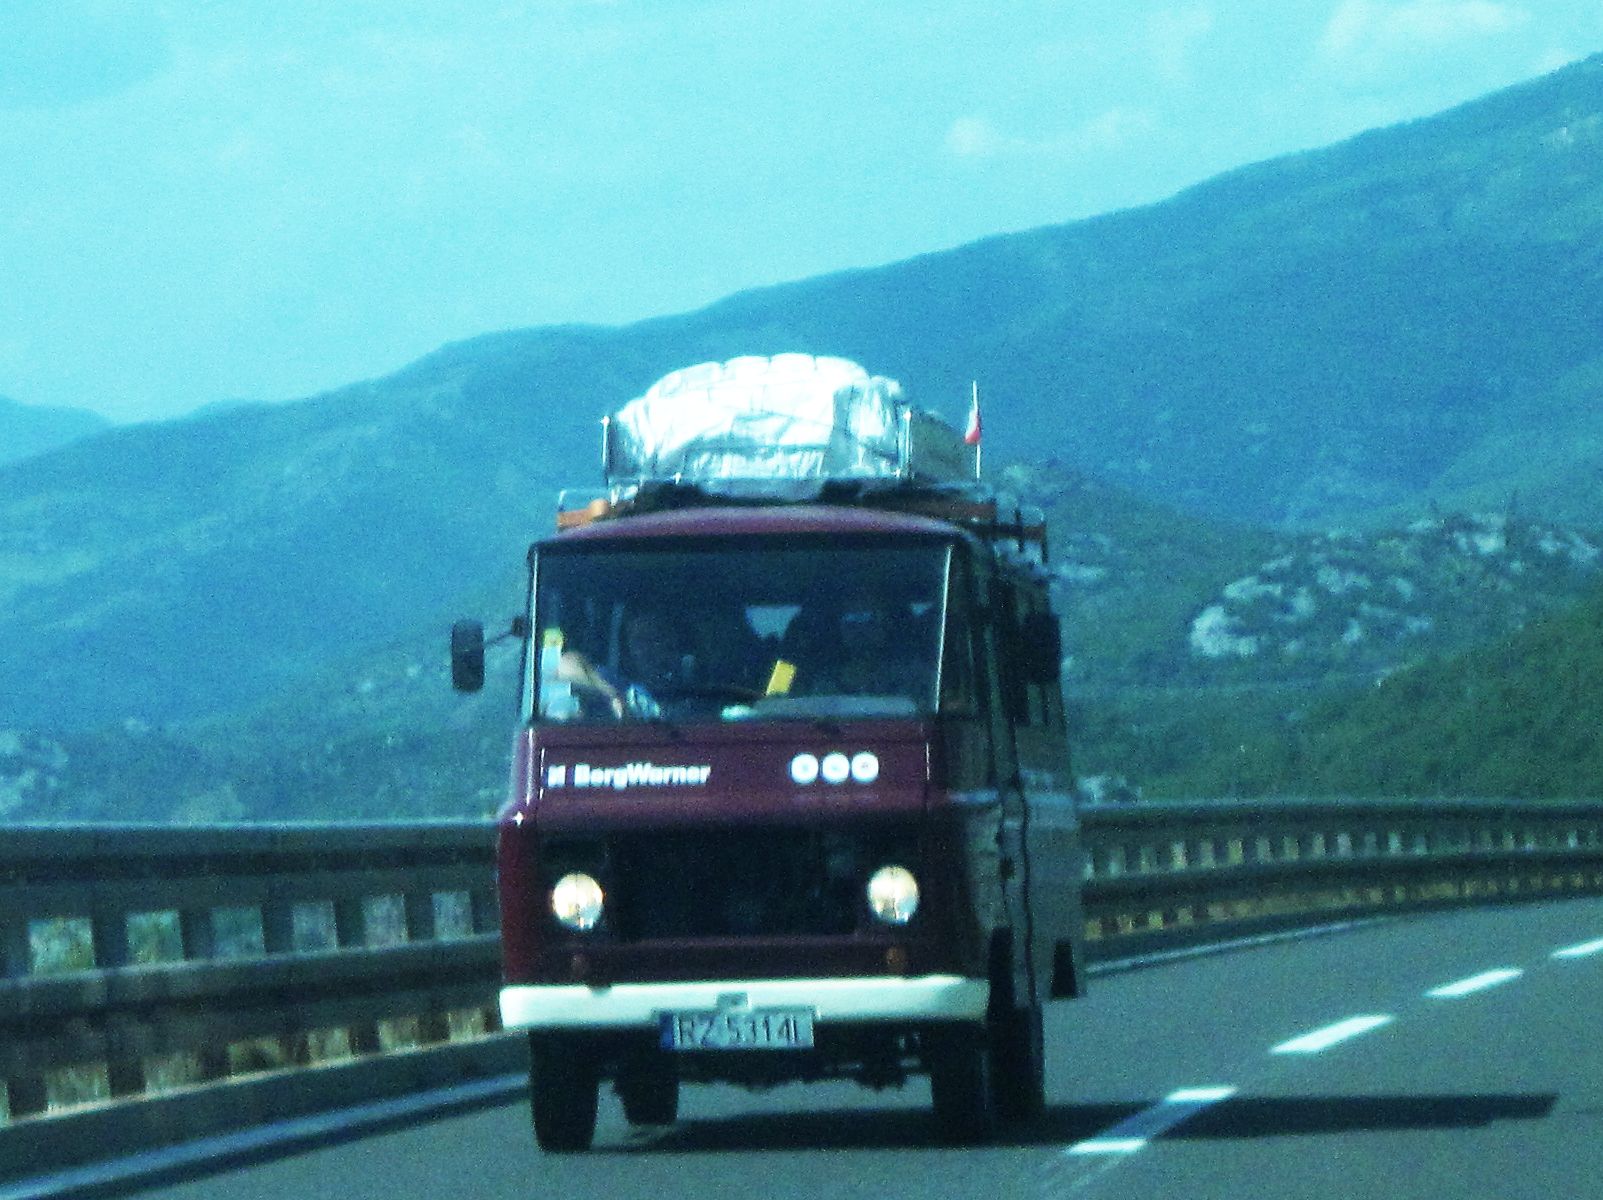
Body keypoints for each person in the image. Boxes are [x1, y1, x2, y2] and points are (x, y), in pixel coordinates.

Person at [559, 607, 697, 719]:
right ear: (628, 648)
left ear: (672, 642)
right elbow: (567, 665)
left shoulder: (698, 688)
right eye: (640, 641)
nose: (648, 649)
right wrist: (613, 696)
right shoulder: (621, 686)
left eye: (656, 639)